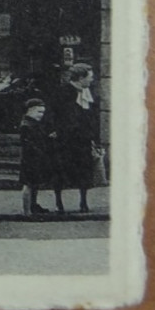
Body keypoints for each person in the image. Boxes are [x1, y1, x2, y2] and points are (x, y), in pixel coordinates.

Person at [50, 62, 100, 214]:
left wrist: (93, 138)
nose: (92, 79)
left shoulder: (87, 93)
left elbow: (91, 117)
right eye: (89, 77)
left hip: (82, 140)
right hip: (65, 140)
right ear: (80, 78)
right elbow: (55, 115)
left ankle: (83, 202)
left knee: (84, 171)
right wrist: (57, 131)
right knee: (61, 171)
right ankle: (59, 203)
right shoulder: (63, 92)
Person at [18, 97, 56, 216]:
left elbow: (38, 139)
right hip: (30, 159)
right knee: (28, 185)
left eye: (43, 112)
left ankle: (33, 206)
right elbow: (30, 144)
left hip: (35, 158)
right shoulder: (26, 125)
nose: (41, 115)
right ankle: (27, 211)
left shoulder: (33, 124)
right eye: (39, 112)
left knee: (34, 184)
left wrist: (48, 138)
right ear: (30, 110)